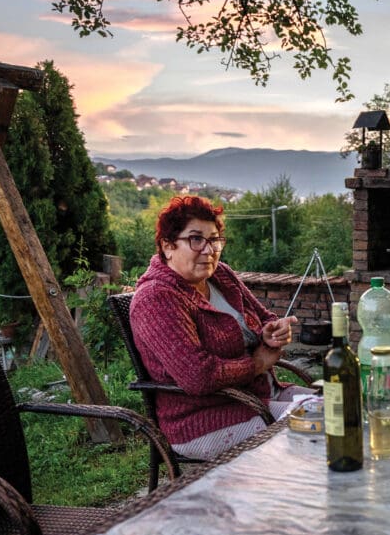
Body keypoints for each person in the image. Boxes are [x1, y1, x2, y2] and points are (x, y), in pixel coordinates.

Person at [130, 195, 313, 459]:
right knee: (315, 433)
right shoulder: (156, 299)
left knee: (340, 409)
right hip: (204, 419)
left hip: (257, 397)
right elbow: (198, 375)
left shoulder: (220, 276)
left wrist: (271, 330)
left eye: (214, 239)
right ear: (168, 246)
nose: (209, 250)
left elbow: (263, 316)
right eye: (196, 239)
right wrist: (257, 364)